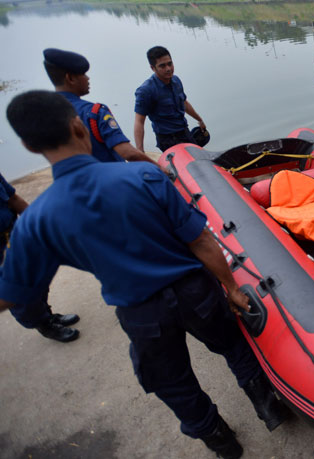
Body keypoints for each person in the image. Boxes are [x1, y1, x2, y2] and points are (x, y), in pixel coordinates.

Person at [1, 90, 288, 458]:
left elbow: (12, 293)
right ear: (78, 126)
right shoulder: (142, 177)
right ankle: (268, 408)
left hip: (141, 312)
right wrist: (230, 287)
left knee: (173, 383)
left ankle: (223, 443)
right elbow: (199, 238)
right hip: (194, 292)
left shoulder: (37, 221)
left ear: (27, 145)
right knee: (232, 343)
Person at [42, 48, 159, 166]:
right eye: (83, 74)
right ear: (70, 78)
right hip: (109, 178)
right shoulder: (94, 112)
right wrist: (159, 168)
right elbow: (128, 153)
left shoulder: (46, 114)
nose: (88, 78)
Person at [0, 171, 79, 342]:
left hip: (13, 232)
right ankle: (43, 324)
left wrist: (37, 224)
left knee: (38, 277)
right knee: (17, 287)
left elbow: (13, 198)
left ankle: (46, 315)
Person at [134, 46, 207, 153]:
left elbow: (184, 103)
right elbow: (139, 121)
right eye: (162, 66)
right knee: (181, 167)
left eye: (170, 63)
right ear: (153, 68)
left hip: (184, 131)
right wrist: (140, 151)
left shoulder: (176, 81)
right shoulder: (146, 91)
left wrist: (199, 119)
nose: (168, 69)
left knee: (201, 159)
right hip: (167, 139)